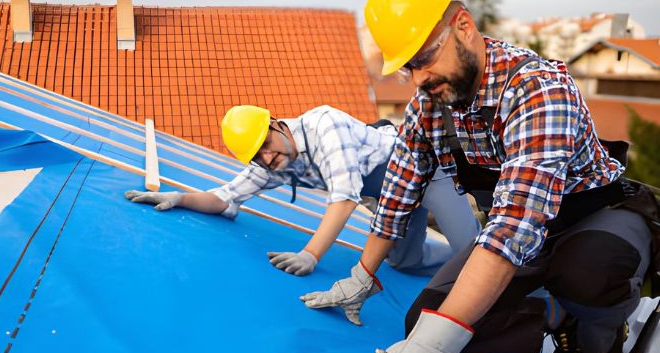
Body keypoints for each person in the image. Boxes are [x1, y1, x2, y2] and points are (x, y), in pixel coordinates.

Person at [301, 0, 657, 353]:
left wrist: (436, 350)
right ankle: (556, 316)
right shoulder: (429, 105)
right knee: (422, 321)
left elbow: (513, 226)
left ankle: (603, 330)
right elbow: (398, 192)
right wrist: (362, 275)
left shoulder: (537, 89)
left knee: (587, 276)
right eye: (407, 68)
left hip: (596, 217)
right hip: (525, 235)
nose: (418, 80)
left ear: (463, 28)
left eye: (424, 59)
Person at [125, 104, 480, 276]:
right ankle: (451, 267)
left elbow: (344, 200)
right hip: (392, 197)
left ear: (278, 124)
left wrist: (310, 254)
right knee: (405, 263)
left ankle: (528, 301)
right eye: (258, 156)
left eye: (267, 143)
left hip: (424, 172)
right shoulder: (274, 163)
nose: (268, 156)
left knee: (477, 252)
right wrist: (180, 198)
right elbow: (225, 197)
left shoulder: (325, 125)